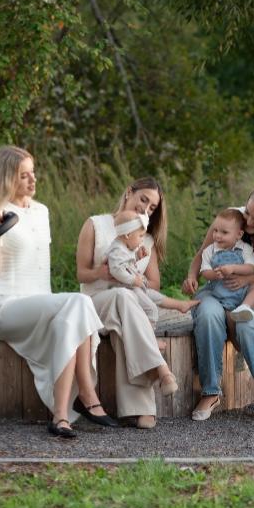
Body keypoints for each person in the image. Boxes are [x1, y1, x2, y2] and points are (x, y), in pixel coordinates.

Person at [0, 145, 112, 439]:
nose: (32, 180)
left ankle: (60, 416)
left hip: (41, 302)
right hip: (6, 307)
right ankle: (88, 395)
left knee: (72, 314)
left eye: (33, 173)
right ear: (7, 179)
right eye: (24, 176)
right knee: (78, 302)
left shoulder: (41, 211)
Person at [182, 185, 254, 423]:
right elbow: (203, 254)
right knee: (207, 314)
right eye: (247, 212)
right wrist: (193, 277)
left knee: (248, 324)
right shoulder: (231, 220)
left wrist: (245, 278)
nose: (249, 221)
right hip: (219, 289)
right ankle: (210, 392)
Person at [76, 177, 181, 429]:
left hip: (126, 307)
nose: (145, 209)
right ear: (128, 192)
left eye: (152, 207)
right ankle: (159, 367)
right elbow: (81, 274)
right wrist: (104, 273)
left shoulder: (145, 239)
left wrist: (133, 274)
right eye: (143, 199)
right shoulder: (96, 225)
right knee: (123, 300)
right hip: (94, 303)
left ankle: (139, 410)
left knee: (125, 315)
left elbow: (153, 283)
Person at [102, 210, 199, 326]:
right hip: (126, 290)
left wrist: (137, 256)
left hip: (133, 288)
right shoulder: (116, 250)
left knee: (156, 296)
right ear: (128, 235)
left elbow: (126, 262)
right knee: (152, 310)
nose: (142, 240)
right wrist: (133, 280)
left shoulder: (122, 247)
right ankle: (150, 337)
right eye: (140, 236)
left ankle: (180, 305)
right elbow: (116, 270)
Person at [196, 208, 254, 323]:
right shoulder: (209, 251)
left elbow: (251, 268)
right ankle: (231, 317)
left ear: (239, 234)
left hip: (243, 291)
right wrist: (214, 274)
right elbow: (205, 271)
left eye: (224, 232)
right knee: (230, 319)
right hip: (221, 292)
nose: (217, 236)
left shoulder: (245, 249)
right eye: (215, 230)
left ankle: (245, 306)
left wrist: (233, 268)